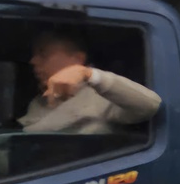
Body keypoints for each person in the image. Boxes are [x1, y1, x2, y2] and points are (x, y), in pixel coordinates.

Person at [19, 28, 161, 134]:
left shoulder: (100, 97)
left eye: (43, 54)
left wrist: (89, 74)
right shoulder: (37, 103)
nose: (33, 61)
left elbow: (150, 105)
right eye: (33, 55)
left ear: (77, 59)